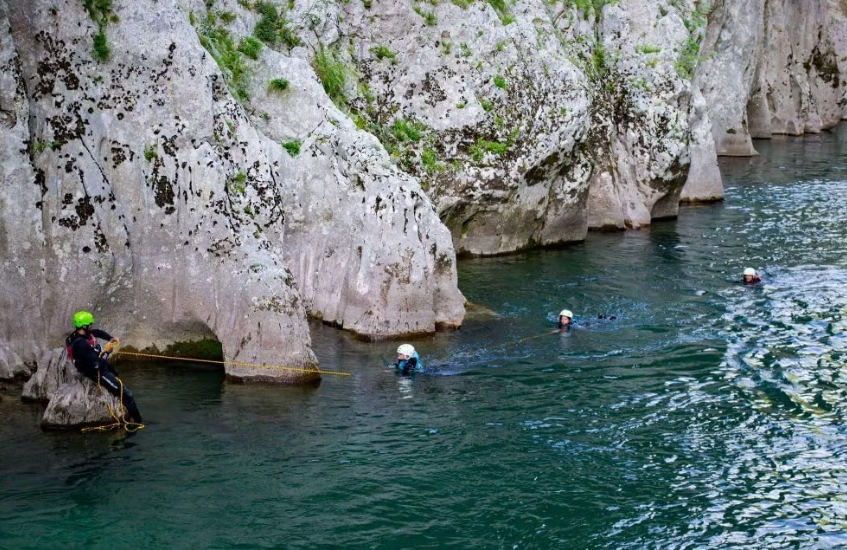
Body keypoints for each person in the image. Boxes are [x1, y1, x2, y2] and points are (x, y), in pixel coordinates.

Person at [65, 311, 143, 423]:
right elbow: (97, 365)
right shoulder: (80, 344)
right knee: (126, 395)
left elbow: (95, 332)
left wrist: (110, 338)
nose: (92, 326)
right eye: (90, 324)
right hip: (94, 370)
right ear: (84, 326)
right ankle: (138, 422)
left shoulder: (77, 335)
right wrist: (107, 352)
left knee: (115, 373)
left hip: (92, 361)